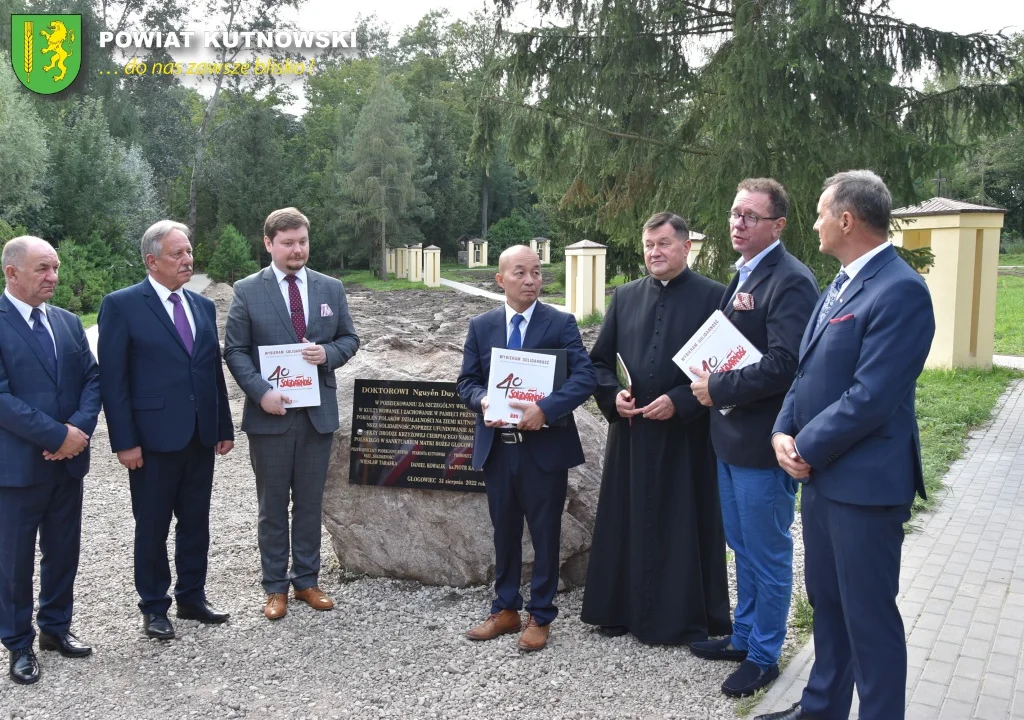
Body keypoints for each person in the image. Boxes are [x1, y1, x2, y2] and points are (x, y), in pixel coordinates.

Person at [756, 171, 936, 720]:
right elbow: (808, 371)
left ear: (847, 219)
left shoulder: (900, 288)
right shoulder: (839, 282)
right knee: (829, 610)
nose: (813, 223)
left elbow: (871, 397)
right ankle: (820, 711)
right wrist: (782, 431)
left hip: (865, 487)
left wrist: (804, 447)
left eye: (818, 212)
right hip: (824, 480)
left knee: (870, 621)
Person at [688, 179, 819, 698]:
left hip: (763, 443)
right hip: (729, 436)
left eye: (750, 216)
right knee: (740, 545)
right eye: (734, 214)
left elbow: (788, 365)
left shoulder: (791, 280)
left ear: (778, 225)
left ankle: (765, 654)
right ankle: (743, 636)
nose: (737, 224)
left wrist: (717, 384)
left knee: (767, 551)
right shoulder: (744, 273)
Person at [581, 212, 731, 645]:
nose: (655, 252)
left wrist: (682, 401)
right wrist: (613, 398)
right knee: (626, 518)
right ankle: (619, 610)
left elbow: (726, 366)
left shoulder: (714, 297)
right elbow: (598, 361)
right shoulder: (625, 296)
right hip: (632, 433)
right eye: (649, 244)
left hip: (686, 435)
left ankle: (684, 618)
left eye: (664, 243)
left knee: (683, 522)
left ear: (686, 247)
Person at [99, 220, 235, 641]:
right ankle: (154, 607)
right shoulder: (121, 305)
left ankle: (192, 597)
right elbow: (113, 381)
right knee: (153, 525)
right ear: (151, 261)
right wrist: (124, 441)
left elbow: (212, 370)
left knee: (196, 521)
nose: (187, 260)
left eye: (189, 252)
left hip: (199, 436)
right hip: (152, 441)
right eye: (177, 254)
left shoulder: (202, 307)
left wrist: (223, 426)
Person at [456, 245, 596, 652]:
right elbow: (466, 381)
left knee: (545, 532)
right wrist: (481, 399)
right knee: (504, 531)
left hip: (543, 449)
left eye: (536, 272)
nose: (532, 280)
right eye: (521, 273)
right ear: (501, 280)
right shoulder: (481, 326)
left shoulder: (560, 323)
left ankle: (541, 614)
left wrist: (545, 409)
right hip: (499, 448)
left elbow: (584, 377)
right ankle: (505, 609)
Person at [224, 207, 359, 621]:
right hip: (271, 418)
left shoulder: (330, 288)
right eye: (287, 243)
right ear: (269, 244)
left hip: (317, 416)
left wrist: (328, 354)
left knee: (309, 503)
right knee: (271, 504)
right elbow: (235, 350)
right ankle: (274, 587)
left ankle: (306, 580)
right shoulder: (248, 290)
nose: (296, 249)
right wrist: (261, 392)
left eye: (302, 241)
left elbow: (350, 338)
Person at [0, 237, 100, 685]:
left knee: (63, 551)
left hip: (68, 463)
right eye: (43, 268)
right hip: (18, 468)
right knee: (14, 561)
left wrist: (76, 432)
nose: (53, 277)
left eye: (55, 268)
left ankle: (55, 628)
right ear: (12, 273)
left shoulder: (67, 321)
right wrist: (57, 435)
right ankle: (17, 644)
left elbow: (92, 379)